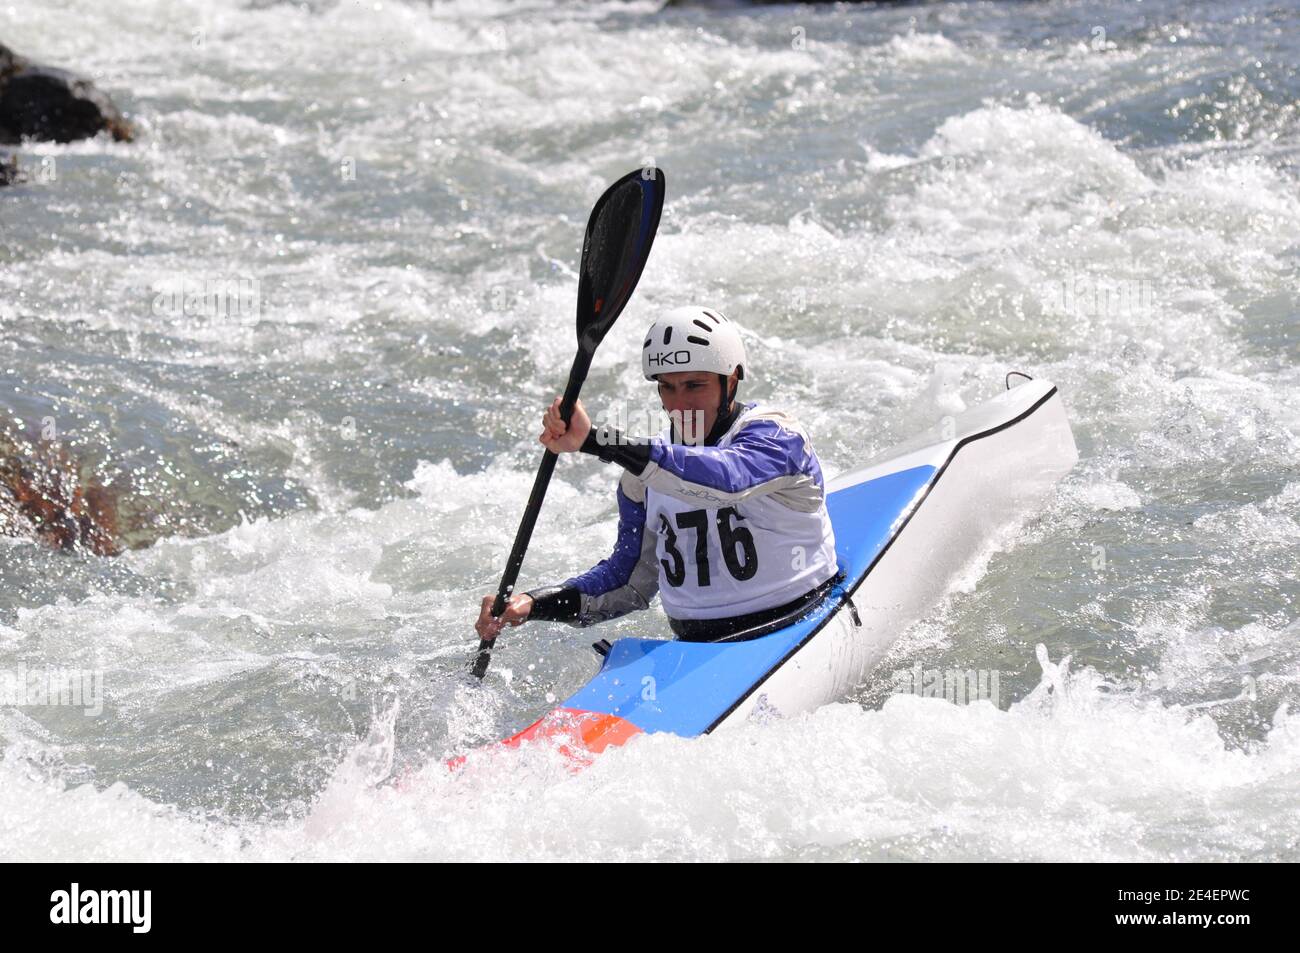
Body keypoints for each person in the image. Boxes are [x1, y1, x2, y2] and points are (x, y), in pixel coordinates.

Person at [475, 305, 838, 643]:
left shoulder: (777, 438)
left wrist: (597, 441)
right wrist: (532, 604)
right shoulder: (643, 478)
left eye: (694, 385)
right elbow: (627, 583)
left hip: (796, 625)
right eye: (667, 386)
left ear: (732, 381)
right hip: (694, 647)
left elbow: (728, 478)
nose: (679, 404)